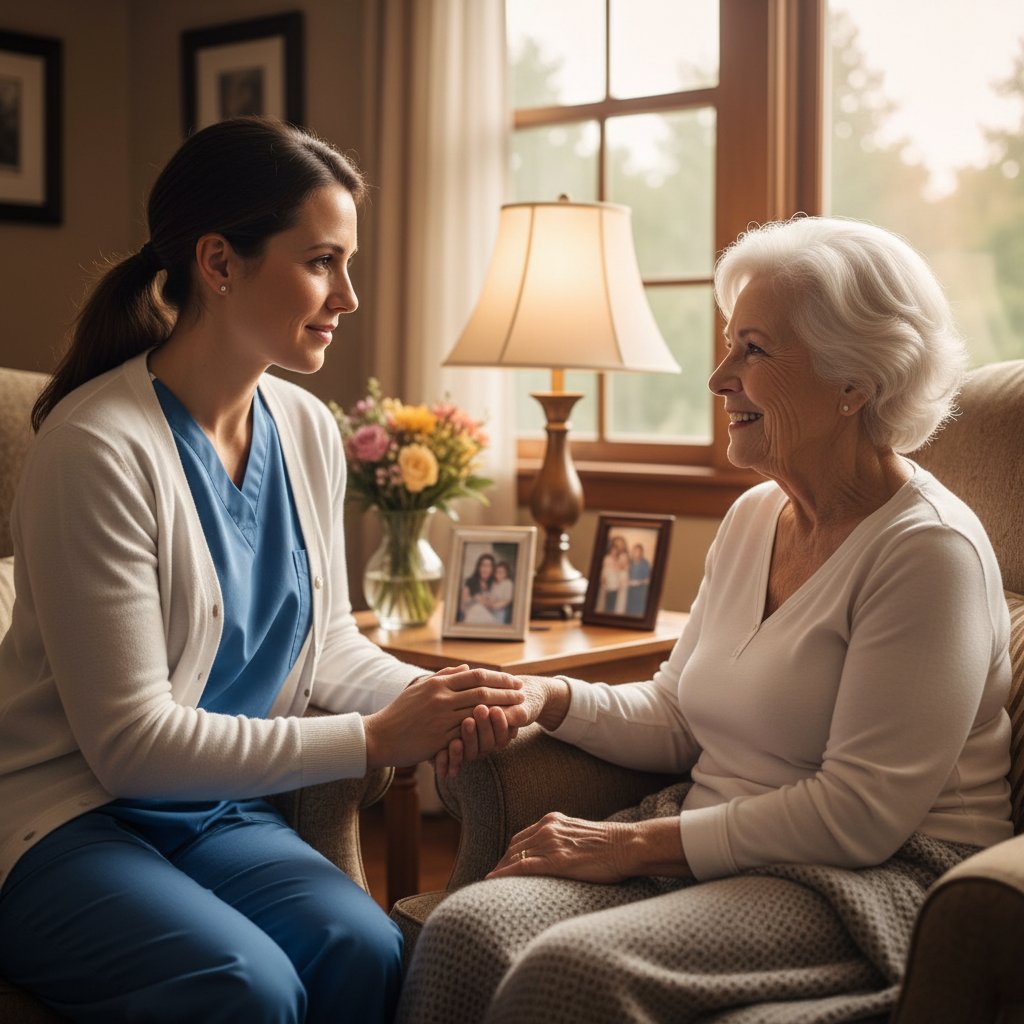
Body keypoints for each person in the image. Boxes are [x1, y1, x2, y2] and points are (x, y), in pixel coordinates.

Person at [401, 216, 1014, 1023]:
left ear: (852, 382)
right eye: (730, 345)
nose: (720, 377)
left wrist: (625, 846)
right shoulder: (758, 513)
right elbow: (678, 715)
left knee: (567, 975)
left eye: (753, 350)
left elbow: (860, 815)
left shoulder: (927, 552)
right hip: (710, 838)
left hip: (874, 874)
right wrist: (545, 696)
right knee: (465, 930)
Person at [0, 116, 525, 1024]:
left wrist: (444, 699)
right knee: (246, 988)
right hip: (68, 822)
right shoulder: (97, 448)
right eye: (323, 261)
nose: (348, 296)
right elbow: (130, 747)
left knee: (370, 951)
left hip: (217, 815)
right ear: (218, 262)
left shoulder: (306, 428)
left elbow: (325, 648)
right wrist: (372, 741)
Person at [459, 553, 497, 623]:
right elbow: (465, 603)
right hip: (471, 614)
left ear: (492, 569)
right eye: (483, 565)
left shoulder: (493, 583)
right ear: (479, 567)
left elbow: (492, 603)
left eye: (489, 566)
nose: (485, 569)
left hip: (485, 616)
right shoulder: (472, 581)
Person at [625, 542, 651, 616]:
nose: (636, 553)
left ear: (641, 552)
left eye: (638, 551)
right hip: (630, 591)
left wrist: (638, 582)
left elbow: (647, 580)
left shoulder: (645, 563)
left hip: (640, 591)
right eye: (635, 551)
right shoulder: (630, 562)